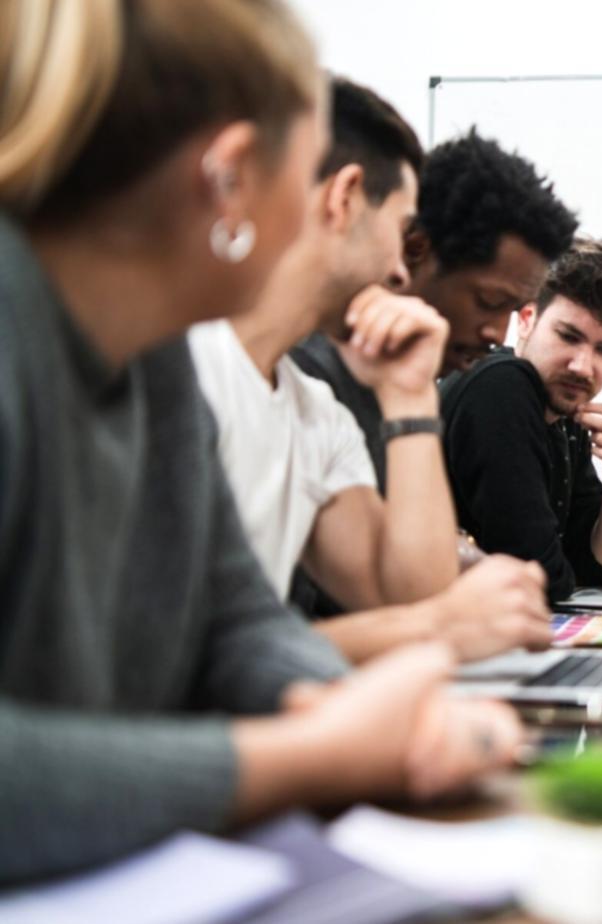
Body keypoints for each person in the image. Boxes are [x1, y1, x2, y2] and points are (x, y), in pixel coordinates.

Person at [0, 0, 522, 883]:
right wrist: (315, 752)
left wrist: (362, 713)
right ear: (233, 175)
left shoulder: (154, 355)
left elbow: (233, 616)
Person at [189, 77, 550, 662]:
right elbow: (178, 664)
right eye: (401, 227)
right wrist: (434, 630)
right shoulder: (180, 367)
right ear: (346, 197)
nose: (400, 270)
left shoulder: (311, 410)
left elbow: (408, 595)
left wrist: (410, 398)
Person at [290, 129, 578, 487]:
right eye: (488, 302)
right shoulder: (312, 380)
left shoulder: (405, 384)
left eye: (513, 310)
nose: (496, 334)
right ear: (415, 250)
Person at [440, 238, 602, 603]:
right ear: (526, 320)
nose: (582, 366)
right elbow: (541, 579)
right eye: (568, 337)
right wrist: (561, 569)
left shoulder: (565, 412)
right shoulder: (502, 386)